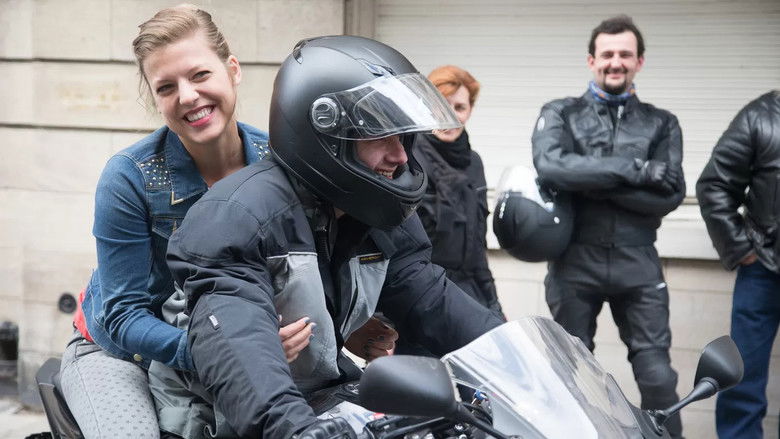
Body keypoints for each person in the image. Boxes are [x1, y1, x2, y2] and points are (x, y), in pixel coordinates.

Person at [59, 5, 392, 438]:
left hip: (248, 352)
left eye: (200, 75)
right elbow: (123, 316)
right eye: (166, 87)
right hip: (122, 356)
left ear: (232, 70)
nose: (187, 96)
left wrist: (355, 330)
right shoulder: (131, 177)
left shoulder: (283, 160)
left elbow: (314, 269)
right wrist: (237, 355)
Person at [164, 35, 504, 438]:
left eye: (402, 138)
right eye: (379, 135)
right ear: (326, 138)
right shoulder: (236, 218)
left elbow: (432, 301)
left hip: (316, 398)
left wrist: (522, 365)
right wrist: (299, 431)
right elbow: (243, 355)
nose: (399, 156)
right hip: (215, 414)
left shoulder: (374, 217)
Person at [531, 15, 685, 437]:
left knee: (658, 378)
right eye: (607, 54)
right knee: (569, 375)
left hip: (639, 260)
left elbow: (670, 194)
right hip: (574, 260)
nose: (615, 62)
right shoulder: (561, 112)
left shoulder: (662, 122)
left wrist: (588, 183)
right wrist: (636, 170)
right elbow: (551, 166)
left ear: (639, 62)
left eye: (625, 54)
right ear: (591, 60)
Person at [696, 90, 780, 439]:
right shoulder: (762, 116)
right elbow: (714, 185)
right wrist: (742, 249)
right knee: (742, 380)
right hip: (764, 270)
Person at [414, 66, 503, 319]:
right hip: (421, 293)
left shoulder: (474, 162)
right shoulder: (407, 157)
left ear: (470, 110)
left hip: (468, 290)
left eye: (459, 107)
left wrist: (494, 303)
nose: (449, 116)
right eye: (441, 105)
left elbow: (477, 245)